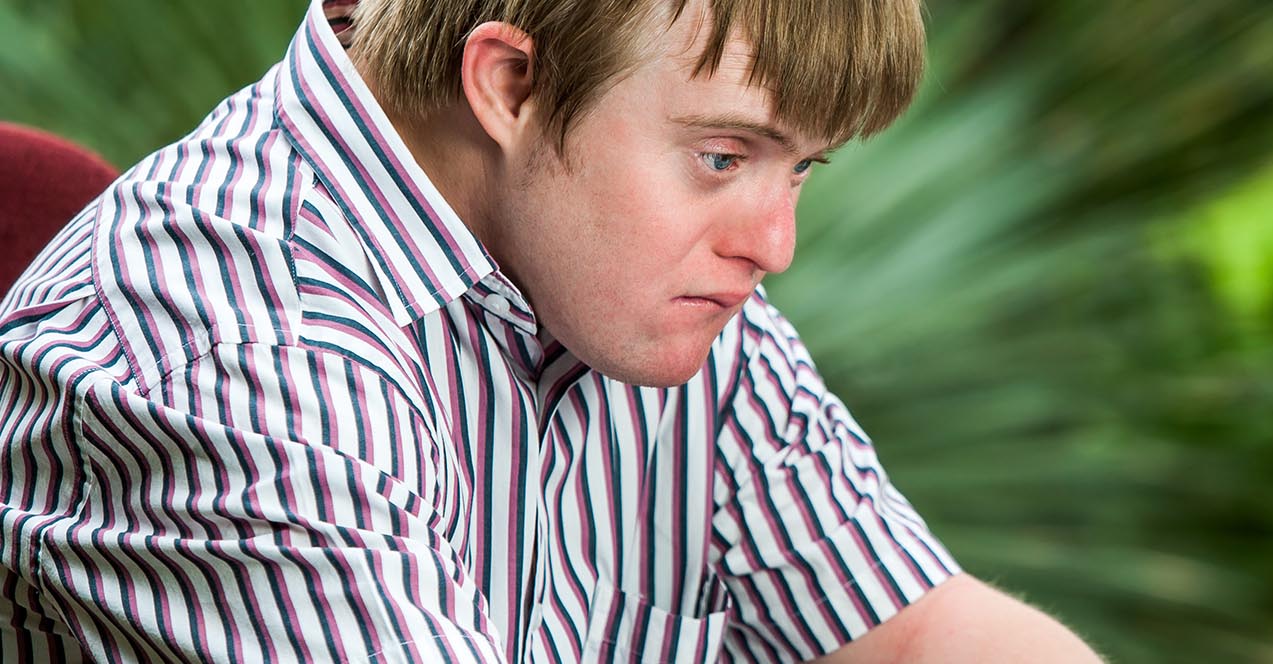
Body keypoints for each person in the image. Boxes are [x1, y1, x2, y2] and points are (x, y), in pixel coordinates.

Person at [0, 0, 1103, 661]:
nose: (774, 246)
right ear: (511, 84)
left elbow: (916, 637)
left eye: (801, 167)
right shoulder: (241, 358)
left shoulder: (621, 272)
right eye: (724, 157)